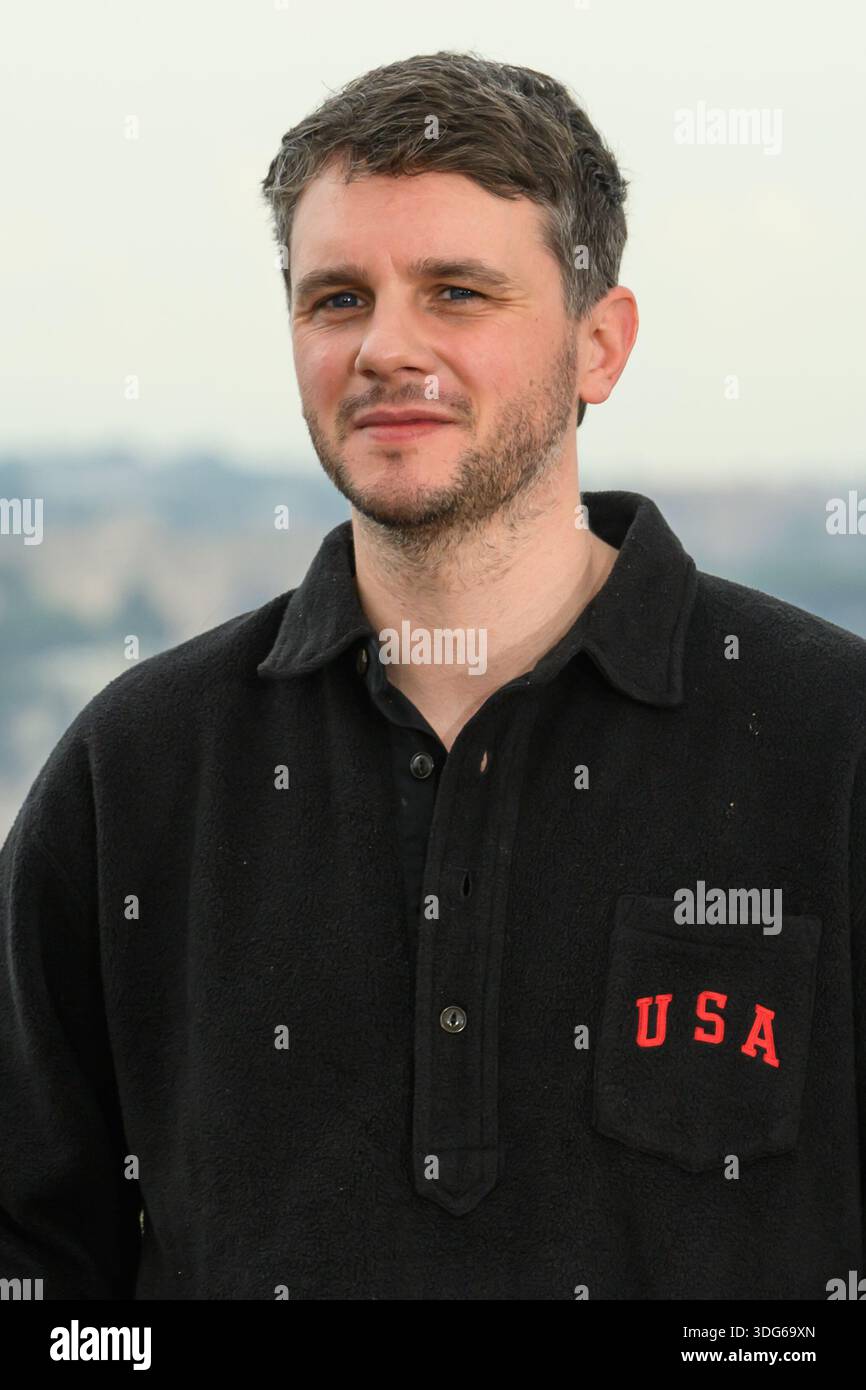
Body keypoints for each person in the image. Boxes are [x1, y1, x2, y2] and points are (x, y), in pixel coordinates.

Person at [1, 50, 864, 1302]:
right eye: (335, 298)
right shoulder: (134, 766)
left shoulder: (828, 741)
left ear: (597, 345)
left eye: (456, 293)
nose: (385, 347)